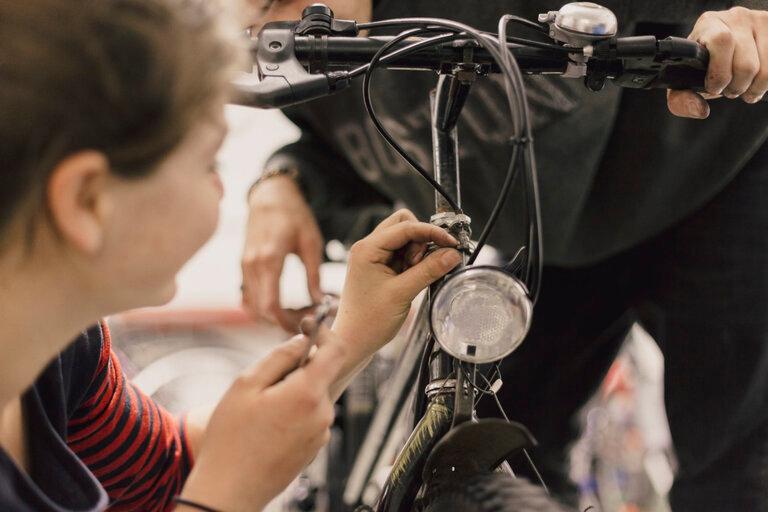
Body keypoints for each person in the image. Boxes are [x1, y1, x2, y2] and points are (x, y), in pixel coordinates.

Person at [241, 0, 768, 509]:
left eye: (271, 1)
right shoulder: (303, 57)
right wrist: (282, 180)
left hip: (711, 182)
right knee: (512, 440)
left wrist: (747, 18)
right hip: (553, 234)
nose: (264, 28)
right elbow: (343, 153)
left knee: (731, 468)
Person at [0, 0, 464, 511]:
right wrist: (224, 499)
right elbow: (208, 485)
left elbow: (164, 473)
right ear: (87, 201)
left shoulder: (64, 350)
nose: (223, 189)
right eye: (209, 162)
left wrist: (349, 338)